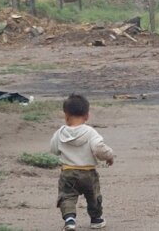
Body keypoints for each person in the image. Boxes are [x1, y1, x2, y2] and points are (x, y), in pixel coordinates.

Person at [50, 93, 115, 230]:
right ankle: (96, 219)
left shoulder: (60, 133)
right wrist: (109, 156)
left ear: (66, 115)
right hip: (88, 173)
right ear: (87, 116)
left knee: (67, 196)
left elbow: (54, 149)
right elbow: (99, 148)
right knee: (93, 196)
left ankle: (69, 220)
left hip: (67, 172)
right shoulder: (90, 132)